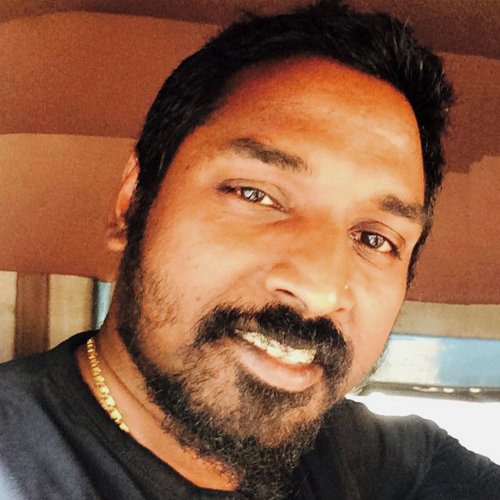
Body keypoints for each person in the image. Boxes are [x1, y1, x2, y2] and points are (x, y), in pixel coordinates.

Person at [1, 1, 499, 498]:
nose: (320, 291)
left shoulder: (378, 459)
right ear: (133, 202)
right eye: (255, 195)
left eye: (375, 239)